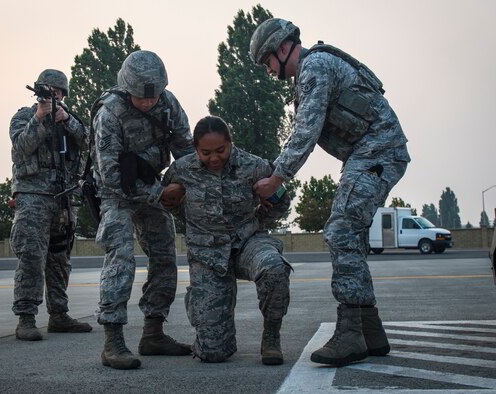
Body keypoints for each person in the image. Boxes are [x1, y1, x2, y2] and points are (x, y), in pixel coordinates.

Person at [249, 18, 411, 366]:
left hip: (377, 151)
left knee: (340, 232)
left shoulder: (314, 68)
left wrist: (276, 178)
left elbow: (305, 131)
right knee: (349, 234)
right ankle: (370, 331)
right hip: (372, 153)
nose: (267, 70)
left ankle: (351, 333)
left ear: (282, 48)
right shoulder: (312, 69)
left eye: (267, 61)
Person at [92, 50, 195, 370]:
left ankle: (153, 333)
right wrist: (160, 194)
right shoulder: (109, 115)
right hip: (116, 195)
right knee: (120, 256)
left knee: (165, 256)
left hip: (154, 187)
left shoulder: (168, 104)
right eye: (141, 97)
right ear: (127, 89)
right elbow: (110, 176)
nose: (149, 102)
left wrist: (194, 188)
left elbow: (186, 152)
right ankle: (113, 341)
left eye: (154, 96)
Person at [161, 115, 292, 365]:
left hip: (247, 243)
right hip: (206, 254)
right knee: (213, 353)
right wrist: (177, 207)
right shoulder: (181, 169)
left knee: (274, 267)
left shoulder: (254, 166)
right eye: (205, 152)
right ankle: (200, 302)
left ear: (230, 143)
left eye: (220, 150)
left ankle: (272, 336)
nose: (214, 158)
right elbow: (167, 202)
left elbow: (281, 200)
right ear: (195, 148)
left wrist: (265, 210)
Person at [9, 69, 92, 341]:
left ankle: (59, 315)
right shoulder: (24, 117)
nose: (53, 96)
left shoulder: (70, 119)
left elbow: (89, 141)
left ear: (64, 95)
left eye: (57, 93)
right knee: (31, 256)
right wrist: (39, 117)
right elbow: (22, 148)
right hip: (33, 195)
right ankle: (26, 317)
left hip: (64, 196)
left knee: (59, 260)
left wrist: (67, 120)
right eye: (47, 91)